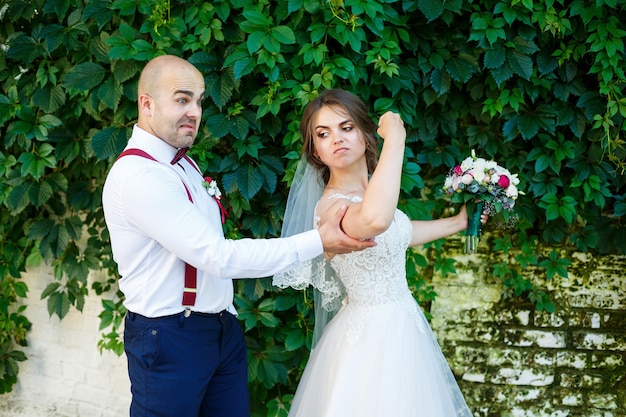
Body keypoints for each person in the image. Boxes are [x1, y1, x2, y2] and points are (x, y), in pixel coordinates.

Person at [102, 56, 375, 417]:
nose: (195, 112)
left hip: (219, 329)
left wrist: (226, 315)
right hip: (170, 336)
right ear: (147, 103)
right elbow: (217, 257)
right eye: (182, 99)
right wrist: (317, 241)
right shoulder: (140, 176)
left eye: (199, 101)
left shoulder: (183, 163)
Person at [273, 89, 486, 417]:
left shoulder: (371, 190)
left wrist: (458, 221)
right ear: (315, 151)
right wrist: (396, 138)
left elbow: (399, 232)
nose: (336, 139)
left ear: (364, 134)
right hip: (371, 338)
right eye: (323, 134)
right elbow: (375, 220)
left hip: (403, 323)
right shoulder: (332, 205)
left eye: (346, 128)